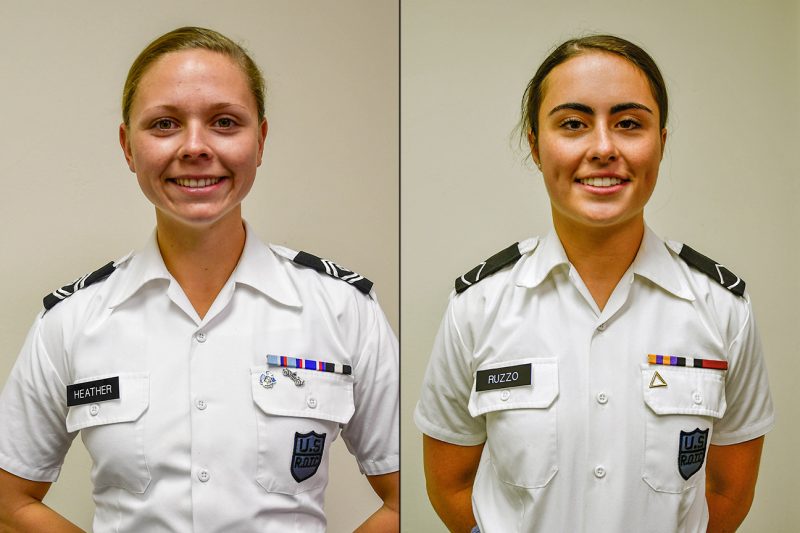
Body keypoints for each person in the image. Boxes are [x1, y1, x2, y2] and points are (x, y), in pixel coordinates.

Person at [0, 27, 398, 532]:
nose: (195, 147)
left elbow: (404, 499)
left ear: (260, 141)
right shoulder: (72, 320)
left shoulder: (342, 308)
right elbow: (9, 502)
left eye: (224, 122)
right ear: (127, 146)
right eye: (164, 124)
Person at [414, 35, 773, 533]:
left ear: (661, 144)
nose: (603, 148)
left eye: (628, 124)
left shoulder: (722, 308)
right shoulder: (478, 306)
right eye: (573, 124)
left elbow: (728, 492)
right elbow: (451, 484)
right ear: (536, 146)